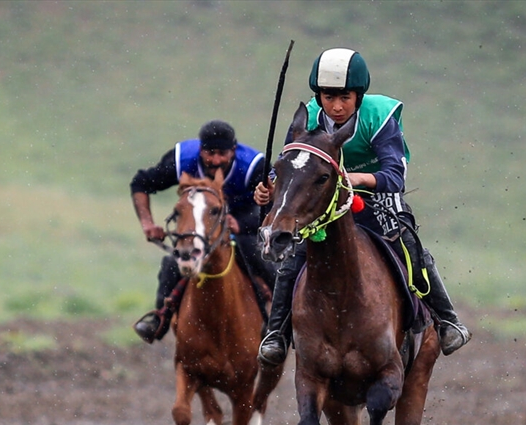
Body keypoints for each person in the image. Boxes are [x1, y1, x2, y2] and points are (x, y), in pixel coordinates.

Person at [255, 48, 470, 365]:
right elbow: (287, 166)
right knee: (293, 257)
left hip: (375, 197)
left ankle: (447, 320)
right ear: (319, 95)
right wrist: (269, 186)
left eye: (345, 97)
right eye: (329, 97)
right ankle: (277, 335)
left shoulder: (378, 117)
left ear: (358, 95)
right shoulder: (307, 118)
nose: (336, 106)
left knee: (411, 248)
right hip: (324, 203)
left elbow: (394, 175)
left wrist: (353, 178)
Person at [131, 120, 276, 342]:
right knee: (172, 263)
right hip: (200, 224)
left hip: (244, 217)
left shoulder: (254, 166)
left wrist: (244, 225)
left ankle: (280, 321)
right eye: (210, 153)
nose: (216, 160)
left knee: (258, 258)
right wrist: (148, 224)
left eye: (222, 153)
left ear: (234, 151)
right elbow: (140, 183)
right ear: (200, 150)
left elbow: (277, 201)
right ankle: (159, 318)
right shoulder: (181, 161)